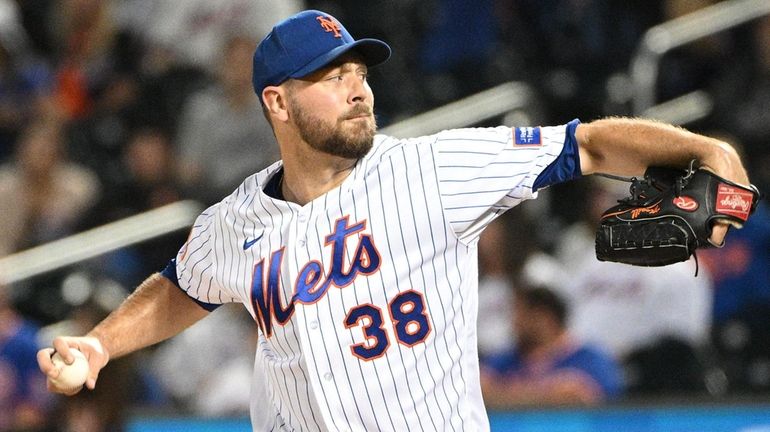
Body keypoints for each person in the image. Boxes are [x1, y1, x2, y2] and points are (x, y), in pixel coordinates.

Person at [37, 9, 754, 431]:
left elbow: (589, 143)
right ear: (277, 104)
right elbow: (181, 286)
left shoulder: (433, 168)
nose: (356, 88)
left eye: (358, 71)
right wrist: (99, 347)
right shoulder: (234, 222)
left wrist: (703, 146)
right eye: (331, 76)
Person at [480, 286, 623, 408]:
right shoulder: (506, 358)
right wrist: (547, 393)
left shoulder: (591, 359)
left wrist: (506, 392)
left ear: (544, 318)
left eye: (520, 315)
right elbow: (477, 391)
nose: (514, 324)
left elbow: (585, 398)